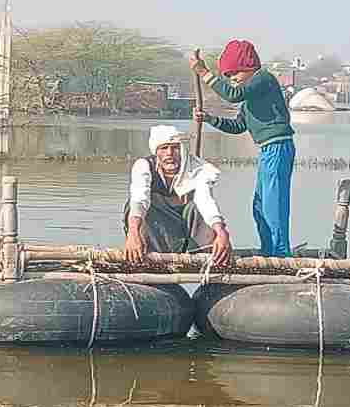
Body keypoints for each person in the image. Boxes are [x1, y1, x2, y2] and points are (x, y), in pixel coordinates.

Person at [190, 40, 296, 258]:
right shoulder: (249, 97)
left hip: (278, 147)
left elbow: (231, 94)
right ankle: (268, 252)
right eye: (228, 76)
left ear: (249, 68)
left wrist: (204, 73)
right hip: (267, 151)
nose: (232, 79)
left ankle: (281, 255)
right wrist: (209, 118)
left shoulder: (262, 79)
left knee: (273, 206)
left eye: (234, 74)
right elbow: (238, 126)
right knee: (259, 207)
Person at [123, 125, 232, 266]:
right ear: (156, 152)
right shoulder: (144, 166)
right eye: (164, 148)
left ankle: (210, 259)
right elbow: (140, 198)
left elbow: (206, 202)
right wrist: (133, 233)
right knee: (136, 206)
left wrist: (221, 232)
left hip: (187, 233)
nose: (169, 153)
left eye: (175, 148)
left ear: (182, 150)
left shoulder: (200, 169)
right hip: (161, 233)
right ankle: (146, 256)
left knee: (196, 207)